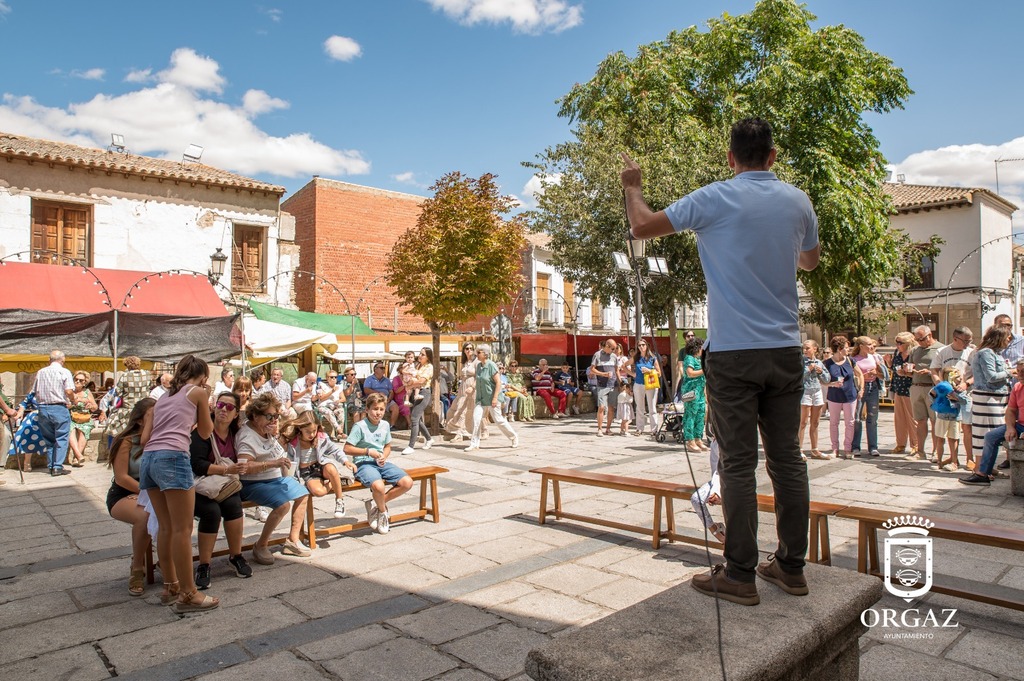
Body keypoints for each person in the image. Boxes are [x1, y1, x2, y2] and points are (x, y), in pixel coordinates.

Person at [622, 118, 820, 605]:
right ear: (772, 157)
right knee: (788, 461)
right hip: (785, 349)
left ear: (730, 158)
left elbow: (642, 225)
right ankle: (792, 568)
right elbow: (810, 262)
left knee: (736, 463)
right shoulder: (798, 201)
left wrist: (633, 187)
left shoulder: (713, 198)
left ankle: (739, 573)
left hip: (733, 352)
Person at [138, 354, 218, 613]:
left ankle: (170, 584)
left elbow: (146, 437)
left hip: (150, 458)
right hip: (173, 457)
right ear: (203, 375)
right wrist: (205, 402)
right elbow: (206, 432)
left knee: (165, 527)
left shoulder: (163, 397)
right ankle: (188, 592)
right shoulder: (197, 392)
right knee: (183, 530)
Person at [236, 392, 311, 563]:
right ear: (255, 416)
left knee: (303, 493)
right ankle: (261, 545)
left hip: (274, 479)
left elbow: (277, 452)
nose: (274, 419)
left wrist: (278, 437)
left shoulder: (265, 430)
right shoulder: (247, 436)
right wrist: (272, 464)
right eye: (269, 416)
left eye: (276, 416)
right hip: (253, 483)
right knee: (283, 505)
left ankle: (292, 540)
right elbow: (244, 467)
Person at [189, 391, 252, 589]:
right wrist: (226, 469)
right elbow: (196, 464)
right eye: (220, 405)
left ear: (236, 414)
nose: (224, 410)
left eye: (230, 407)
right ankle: (204, 564)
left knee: (234, 505)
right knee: (211, 512)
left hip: (223, 485)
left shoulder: (236, 435)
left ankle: (236, 555)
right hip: (200, 486)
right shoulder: (202, 432)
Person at [106, 398, 156, 596]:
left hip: (153, 492)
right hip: (125, 492)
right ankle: (137, 567)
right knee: (144, 516)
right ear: (140, 420)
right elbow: (121, 477)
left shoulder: (160, 438)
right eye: (153, 415)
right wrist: (143, 493)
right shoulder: (126, 440)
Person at [345, 393, 414, 535]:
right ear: (367, 409)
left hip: (380, 462)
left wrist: (384, 455)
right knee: (379, 486)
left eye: (381, 409)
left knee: (407, 482)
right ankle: (383, 512)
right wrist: (367, 452)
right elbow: (347, 448)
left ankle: (375, 505)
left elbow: (388, 446)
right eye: (375, 409)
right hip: (363, 463)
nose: (378, 413)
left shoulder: (385, 425)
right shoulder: (360, 426)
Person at [282, 410, 356, 520]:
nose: (312, 434)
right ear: (300, 428)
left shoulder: (321, 437)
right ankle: (337, 482)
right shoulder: (293, 442)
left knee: (331, 468)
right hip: (307, 472)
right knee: (318, 492)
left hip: (320, 466)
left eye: (314, 430)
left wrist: (345, 461)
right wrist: (292, 480)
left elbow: (335, 450)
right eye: (308, 431)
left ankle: (339, 500)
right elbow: (290, 463)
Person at [961, 358, 1024, 485]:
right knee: (990, 436)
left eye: (1023, 371)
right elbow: (1011, 411)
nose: (1020, 374)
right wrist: (1010, 427)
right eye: (1018, 371)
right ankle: (983, 473)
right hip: (1020, 425)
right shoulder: (1017, 387)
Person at [968, 325, 1012, 472]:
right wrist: (1009, 372)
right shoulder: (986, 353)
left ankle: (988, 466)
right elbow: (991, 376)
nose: (1009, 340)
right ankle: (980, 469)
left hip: (995, 399)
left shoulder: (995, 353)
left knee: (992, 432)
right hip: (987, 399)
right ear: (999, 338)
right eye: (1007, 337)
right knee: (985, 433)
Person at [930, 326, 974, 466]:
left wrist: (966, 384)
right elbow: (934, 371)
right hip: (947, 396)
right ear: (955, 339)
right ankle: (952, 458)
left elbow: (976, 374)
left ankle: (970, 458)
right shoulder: (942, 351)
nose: (968, 343)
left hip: (966, 394)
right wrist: (943, 387)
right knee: (950, 428)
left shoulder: (971, 352)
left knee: (967, 426)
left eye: (970, 340)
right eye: (965, 340)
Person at [29, 349, 76, 476]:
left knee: (48, 439)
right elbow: (69, 391)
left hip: (43, 408)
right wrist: (74, 400)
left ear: (49, 360)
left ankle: (50, 465)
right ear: (63, 360)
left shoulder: (41, 372)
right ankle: (57, 466)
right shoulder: (64, 371)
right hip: (59, 408)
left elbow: (34, 391)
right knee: (61, 437)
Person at [466, 345, 518, 452]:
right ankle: (474, 443)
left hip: (492, 397)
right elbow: (478, 379)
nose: (477, 354)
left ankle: (513, 437)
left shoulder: (492, 365)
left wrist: (495, 398)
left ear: (485, 354)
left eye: (479, 352)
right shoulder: (479, 366)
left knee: (499, 421)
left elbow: (498, 382)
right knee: (476, 420)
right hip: (481, 398)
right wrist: (472, 387)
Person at [906, 325, 944, 461]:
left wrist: (930, 372)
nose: (919, 342)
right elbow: (910, 368)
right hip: (916, 386)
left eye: (921, 339)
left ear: (929, 335)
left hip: (932, 387)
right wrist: (906, 371)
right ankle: (920, 451)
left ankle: (935, 451)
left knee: (935, 421)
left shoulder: (941, 349)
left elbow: (945, 371)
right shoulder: (915, 350)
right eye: (917, 340)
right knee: (920, 420)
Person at [824, 336, 862, 459]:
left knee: (850, 423)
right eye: (846, 348)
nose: (849, 350)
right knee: (833, 423)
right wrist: (832, 384)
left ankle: (847, 448)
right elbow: (822, 381)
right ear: (839, 349)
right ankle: (835, 448)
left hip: (850, 395)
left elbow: (860, 374)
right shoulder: (828, 363)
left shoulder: (850, 361)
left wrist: (861, 389)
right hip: (834, 396)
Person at [849, 336, 886, 457]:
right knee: (857, 418)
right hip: (859, 388)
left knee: (872, 418)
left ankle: (873, 447)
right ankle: (855, 447)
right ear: (861, 346)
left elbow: (883, 376)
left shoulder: (874, 357)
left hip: (873, 387)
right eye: (869, 344)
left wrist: (876, 373)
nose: (872, 347)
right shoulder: (853, 359)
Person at [443, 342, 485, 439]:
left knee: (465, 411)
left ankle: (460, 434)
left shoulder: (477, 362)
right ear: (464, 350)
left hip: (472, 389)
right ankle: (456, 431)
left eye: (471, 348)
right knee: (453, 410)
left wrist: (472, 387)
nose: (469, 350)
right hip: (463, 389)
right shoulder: (465, 362)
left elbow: (479, 377)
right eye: (467, 348)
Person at [105, 356, 152, 441]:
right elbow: (149, 388)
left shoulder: (125, 376)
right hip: (144, 408)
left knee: (115, 428)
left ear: (127, 365)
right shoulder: (147, 374)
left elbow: (118, 392)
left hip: (128, 409)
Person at [929, 368, 967, 471]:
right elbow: (932, 395)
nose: (960, 379)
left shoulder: (958, 389)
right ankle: (940, 462)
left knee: (953, 439)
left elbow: (964, 401)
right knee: (941, 439)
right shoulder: (942, 387)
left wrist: (957, 398)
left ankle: (954, 461)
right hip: (944, 416)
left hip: (953, 417)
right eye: (958, 376)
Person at [690, 438, 726, 543]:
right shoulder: (716, 441)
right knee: (696, 499)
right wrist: (715, 491)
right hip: (717, 479)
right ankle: (715, 529)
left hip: (734, 482)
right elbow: (717, 471)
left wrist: (718, 493)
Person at [799, 340, 829, 460]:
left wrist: (821, 372)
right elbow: (797, 377)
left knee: (815, 422)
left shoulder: (819, 362)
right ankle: (799, 449)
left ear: (815, 349)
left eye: (807, 348)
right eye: (804, 348)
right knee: (803, 422)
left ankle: (815, 449)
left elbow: (827, 379)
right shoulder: (801, 361)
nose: (805, 350)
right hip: (805, 392)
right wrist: (808, 369)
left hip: (816, 391)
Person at [890, 332, 918, 456]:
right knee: (899, 419)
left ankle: (916, 445)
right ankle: (900, 444)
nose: (897, 345)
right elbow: (894, 371)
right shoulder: (897, 354)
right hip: (898, 388)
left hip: (910, 389)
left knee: (912, 419)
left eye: (900, 343)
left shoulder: (914, 354)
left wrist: (906, 373)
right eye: (896, 342)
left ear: (907, 343)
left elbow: (917, 372)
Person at [402, 348, 435, 455]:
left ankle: (411, 446)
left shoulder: (429, 367)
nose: (420, 356)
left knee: (414, 418)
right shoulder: (416, 366)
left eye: (423, 354)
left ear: (428, 357)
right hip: (413, 392)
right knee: (416, 418)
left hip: (423, 392)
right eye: (420, 353)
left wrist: (409, 384)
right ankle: (429, 439)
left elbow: (421, 381)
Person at [679, 337, 707, 453]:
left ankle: (698, 438)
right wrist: (705, 370)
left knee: (700, 414)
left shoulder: (699, 359)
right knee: (691, 415)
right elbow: (690, 373)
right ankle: (690, 440)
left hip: (700, 391)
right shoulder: (689, 358)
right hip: (692, 391)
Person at [629, 341, 662, 435]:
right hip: (638, 384)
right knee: (639, 407)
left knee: (652, 408)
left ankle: (654, 429)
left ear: (647, 346)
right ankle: (639, 428)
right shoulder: (636, 358)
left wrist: (650, 370)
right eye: (639, 345)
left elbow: (659, 373)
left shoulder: (652, 358)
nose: (641, 347)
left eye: (643, 345)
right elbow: (624, 365)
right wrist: (632, 374)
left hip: (650, 384)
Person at [589, 339, 620, 437]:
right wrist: (603, 374)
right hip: (602, 385)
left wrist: (620, 382)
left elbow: (616, 370)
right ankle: (599, 429)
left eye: (615, 348)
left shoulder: (614, 356)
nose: (614, 350)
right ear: (607, 346)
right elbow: (592, 369)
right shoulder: (597, 355)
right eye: (613, 348)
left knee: (611, 408)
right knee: (601, 407)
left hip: (613, 384)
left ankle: (608, 428)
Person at [67, 371, 97, 467]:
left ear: (85, 382)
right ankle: (79, 455)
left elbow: (95, 407)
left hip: (84, 417)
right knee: (70, 429)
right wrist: (71, 405)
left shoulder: (87, 392)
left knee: (84, 430)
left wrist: (90, 406)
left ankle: (76, 458)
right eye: (76, 379)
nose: (78, 381)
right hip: (71, 416)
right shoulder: (69, 391)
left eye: (81, 380)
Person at [362, 362, 398, 427]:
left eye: (384, 368)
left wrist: (389, 398)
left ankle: (392, 426)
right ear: (375, 369)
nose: (383, 369)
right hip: (375, 399)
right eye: (381, 368)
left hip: (386, 399)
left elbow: (391, 391)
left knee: (395, 407)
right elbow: (366, 390)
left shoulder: (387, 380)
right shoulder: (369, 379)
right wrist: (378, 393)